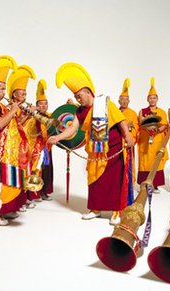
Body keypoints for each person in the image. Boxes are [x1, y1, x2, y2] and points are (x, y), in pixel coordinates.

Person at [47, 62, 134, 225]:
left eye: (79, 96)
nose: (78, 100)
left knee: (115, 181)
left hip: (113, 148)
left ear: (88, 92)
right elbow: (73, 128)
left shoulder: (105, 103)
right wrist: (57, 138)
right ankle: (95, 209)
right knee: (95, 181)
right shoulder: (80, 111)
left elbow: (120, 120)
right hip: (95, 151)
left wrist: (128, 135)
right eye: (76, 97)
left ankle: (117, 211)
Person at [0, 55, 28, 226]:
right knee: (0, 181)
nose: (3, 93)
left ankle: (8, 209)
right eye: (0, 89)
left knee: (11, 180)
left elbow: (13, 126)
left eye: (4, 89)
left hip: (11, 152)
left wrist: (21, 116)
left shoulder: (2, 105)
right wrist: (13, 110)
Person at [0, 65, 37, 213]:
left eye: (25, 93)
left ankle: (23, 200)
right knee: (14, 175)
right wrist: (27, 115)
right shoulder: (9, 107)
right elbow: (16, 124)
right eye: (21, 93)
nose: (24, 96)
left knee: (25, 173)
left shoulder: (24, 106)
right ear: (14, 94)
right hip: (11, 147)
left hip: (25, 145)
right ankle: (12, 203)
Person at [24, 79, 54, 203]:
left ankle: (44, 192)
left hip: (47, 149)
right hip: (35, 149)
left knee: (47, 170)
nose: (43, 106)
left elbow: (60, 122)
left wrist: (70, 105)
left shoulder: (50, 116)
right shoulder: (32, 116)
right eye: (40, 104)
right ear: (36, 105)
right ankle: (33, 194)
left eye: (45, 103)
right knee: (36, 170)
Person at [137, 77, 168, 193]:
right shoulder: (142, 111)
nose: (152, 100)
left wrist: (156, 130)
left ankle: (155, 185)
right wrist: (148, 128)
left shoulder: (162, 112)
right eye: (150, 98)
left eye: (154, 98)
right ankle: (144, 184)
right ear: (147, 99)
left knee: (156, 161)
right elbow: (141, 123)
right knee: (145, 162)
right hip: (145, 140)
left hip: (157, 140)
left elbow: (164, 125)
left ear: (157, 99)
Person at [118, 78, 138, 188]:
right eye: (122, 99)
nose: (124, 101)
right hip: (116, 145)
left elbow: (135, 129)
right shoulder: (115, 112)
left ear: (129, 101)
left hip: (127, 145)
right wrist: (126, 126)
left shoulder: (133, 113)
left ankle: (129, 186)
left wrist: (129, 130)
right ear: (119, 101)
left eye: (127, 100)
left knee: (128, 167)